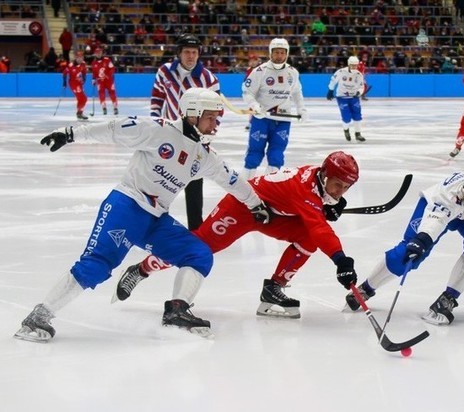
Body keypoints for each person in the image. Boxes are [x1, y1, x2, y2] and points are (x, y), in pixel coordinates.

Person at [13, 89, 271, 343]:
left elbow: (232, 180)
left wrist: (256, 204)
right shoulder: (158, 130)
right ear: (193, 114)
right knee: (97, 265)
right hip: (126, 207)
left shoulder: (203, 155)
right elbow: (113, 129)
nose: (216, 124)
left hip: (156, 219)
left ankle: (177, 311)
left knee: (198, 253)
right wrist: (70, 134)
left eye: (218, 118)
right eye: (212, 117)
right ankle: (38, 317)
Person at [115, 151, 361, 320]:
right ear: (325, 175)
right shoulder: (304, 187)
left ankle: (274, 289)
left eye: (346, 187)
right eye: (337, 184)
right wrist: (340, 259)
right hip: (242, 206)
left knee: (308, 238)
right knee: (198, 249)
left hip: (269, 213)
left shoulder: (317, 181)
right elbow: (319, 226)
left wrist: (327, 203)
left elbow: (313, 219)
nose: (340, 191)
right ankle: (142, 269)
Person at [345, 162, 464, 325]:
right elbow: (436, 220)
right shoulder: (450, 193)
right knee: (408, 253)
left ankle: (448, 299)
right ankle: (366, 288)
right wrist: (421, 240)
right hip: (434, 210)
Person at [150, 33, 220, 231]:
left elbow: (218, 109)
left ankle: (196, 229)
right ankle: (156, 223)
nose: (191, 56)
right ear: (179, 53)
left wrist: (208, 133)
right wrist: (157, 123)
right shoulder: (165, 72)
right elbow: (157, 99)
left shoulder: (208, 78)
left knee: (194, 182)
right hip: (170, 134)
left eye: (195, 52)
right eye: (187, 52)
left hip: (196, 138)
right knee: (162, 179)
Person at [241, 37, 308, 179]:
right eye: (276, 52)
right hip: (262, 119)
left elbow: (297, 92)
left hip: (283, 120)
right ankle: (245, 186)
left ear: (287, 54)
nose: (279, 56)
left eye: (282, 53)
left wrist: (301, 109)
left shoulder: (293, 72)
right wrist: (254, 105)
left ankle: (269, 187)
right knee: (254, 153)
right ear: (270, 53)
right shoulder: (260, 71)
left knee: (277, 155)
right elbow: (248, 92)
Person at [326, 56, 366, 142]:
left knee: (357, 115)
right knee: (346, 116)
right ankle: (346, 130)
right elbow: (333, 81)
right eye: (352, 65)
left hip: (354, 97)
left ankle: (358, 134)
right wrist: (330, 90)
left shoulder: (359, 75)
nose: (354, 67)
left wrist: (359, 92)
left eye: (356, 65)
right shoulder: (341, 72)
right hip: (342, 97)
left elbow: (361, 86)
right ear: (348, 64)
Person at [91, 46, 119, 115]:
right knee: (101, 94)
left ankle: (115, 108)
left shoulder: (107, 60)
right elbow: (94, 73)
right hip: (100, 81)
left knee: (112, 93)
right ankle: (104, 108)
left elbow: (112, 68)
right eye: (97, 53)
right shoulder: (93, 63)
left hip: (109, 80)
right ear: (95, 54)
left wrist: (108, 75)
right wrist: (93, 79)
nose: (98, 54)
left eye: (100, 53)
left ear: (102, 53)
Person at [62, 50, 88, 120]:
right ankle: (79, 112)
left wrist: (84, 78)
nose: (80, 59)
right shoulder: (71, 65)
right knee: (84, 98)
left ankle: (79, 113)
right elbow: (64, 73)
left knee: (82, 99)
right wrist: (64, 82)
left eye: (82, 58)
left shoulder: (83, 64)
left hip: (79, 84)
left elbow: (84, 72)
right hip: (73, 84)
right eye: (79, 58)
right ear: (76, 58)